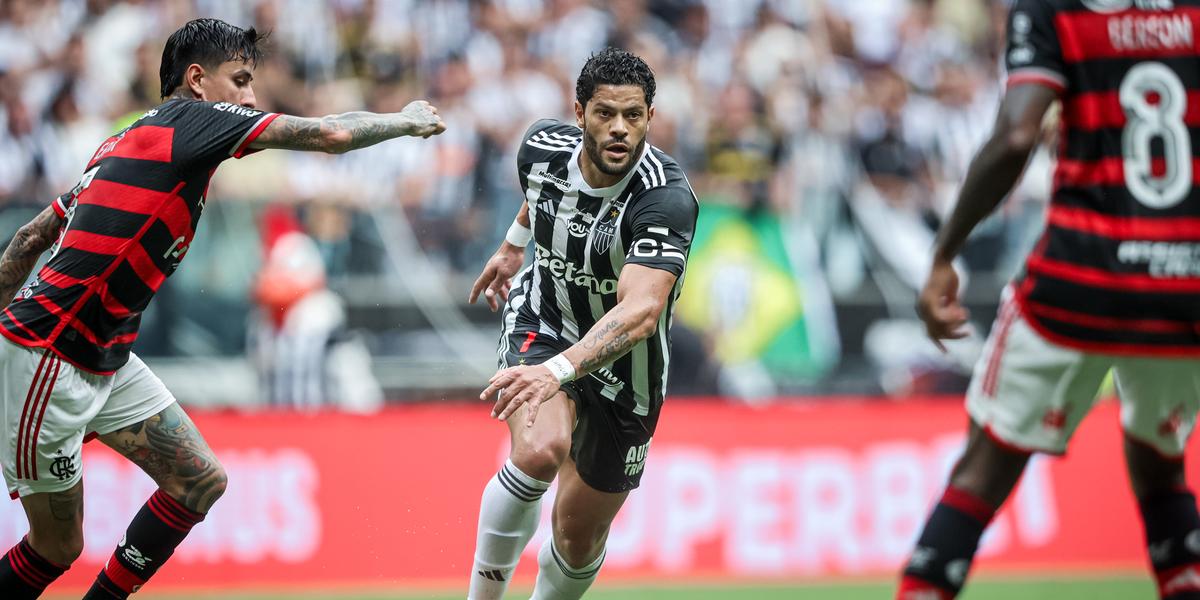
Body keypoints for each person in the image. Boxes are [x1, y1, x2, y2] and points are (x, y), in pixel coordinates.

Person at [0, 18, 444, 600]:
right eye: (240, 80)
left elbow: (32, 237)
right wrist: (405, 121)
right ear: (197, 80)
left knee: (198, 482)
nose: (251, 97)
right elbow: (331, 135)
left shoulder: (128, 140)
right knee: (57, 547)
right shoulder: (194, 120)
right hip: (49, 353)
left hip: (103, 356)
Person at [898, 1, 1200, 599]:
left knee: (982, 471)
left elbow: (1016, 134)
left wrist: (943, 253)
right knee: (1161, 465)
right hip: (1184, 281)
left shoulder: (1053, 6)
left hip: (1079, 279)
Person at [466, 47, 698, 600]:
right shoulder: (539, 147)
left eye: (633, 115)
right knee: (539, 449)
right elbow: (536, 196)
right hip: (545, 320)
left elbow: (640, 312)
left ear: (649, 117)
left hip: (629, 367)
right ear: (579, 113)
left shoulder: (664, 199)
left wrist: (562, 371)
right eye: (605, 114)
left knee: (578, 534)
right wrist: (511, 247)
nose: (619, 129)